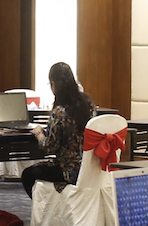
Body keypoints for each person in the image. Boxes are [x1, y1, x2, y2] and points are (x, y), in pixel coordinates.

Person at [21, 62, 94, 198]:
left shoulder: (59, 112)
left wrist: (39, 134)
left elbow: (49, 148)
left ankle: (44, 211)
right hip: (90, 168)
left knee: (27, 175)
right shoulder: (88, 104)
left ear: (54, 84)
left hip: (68, 170)